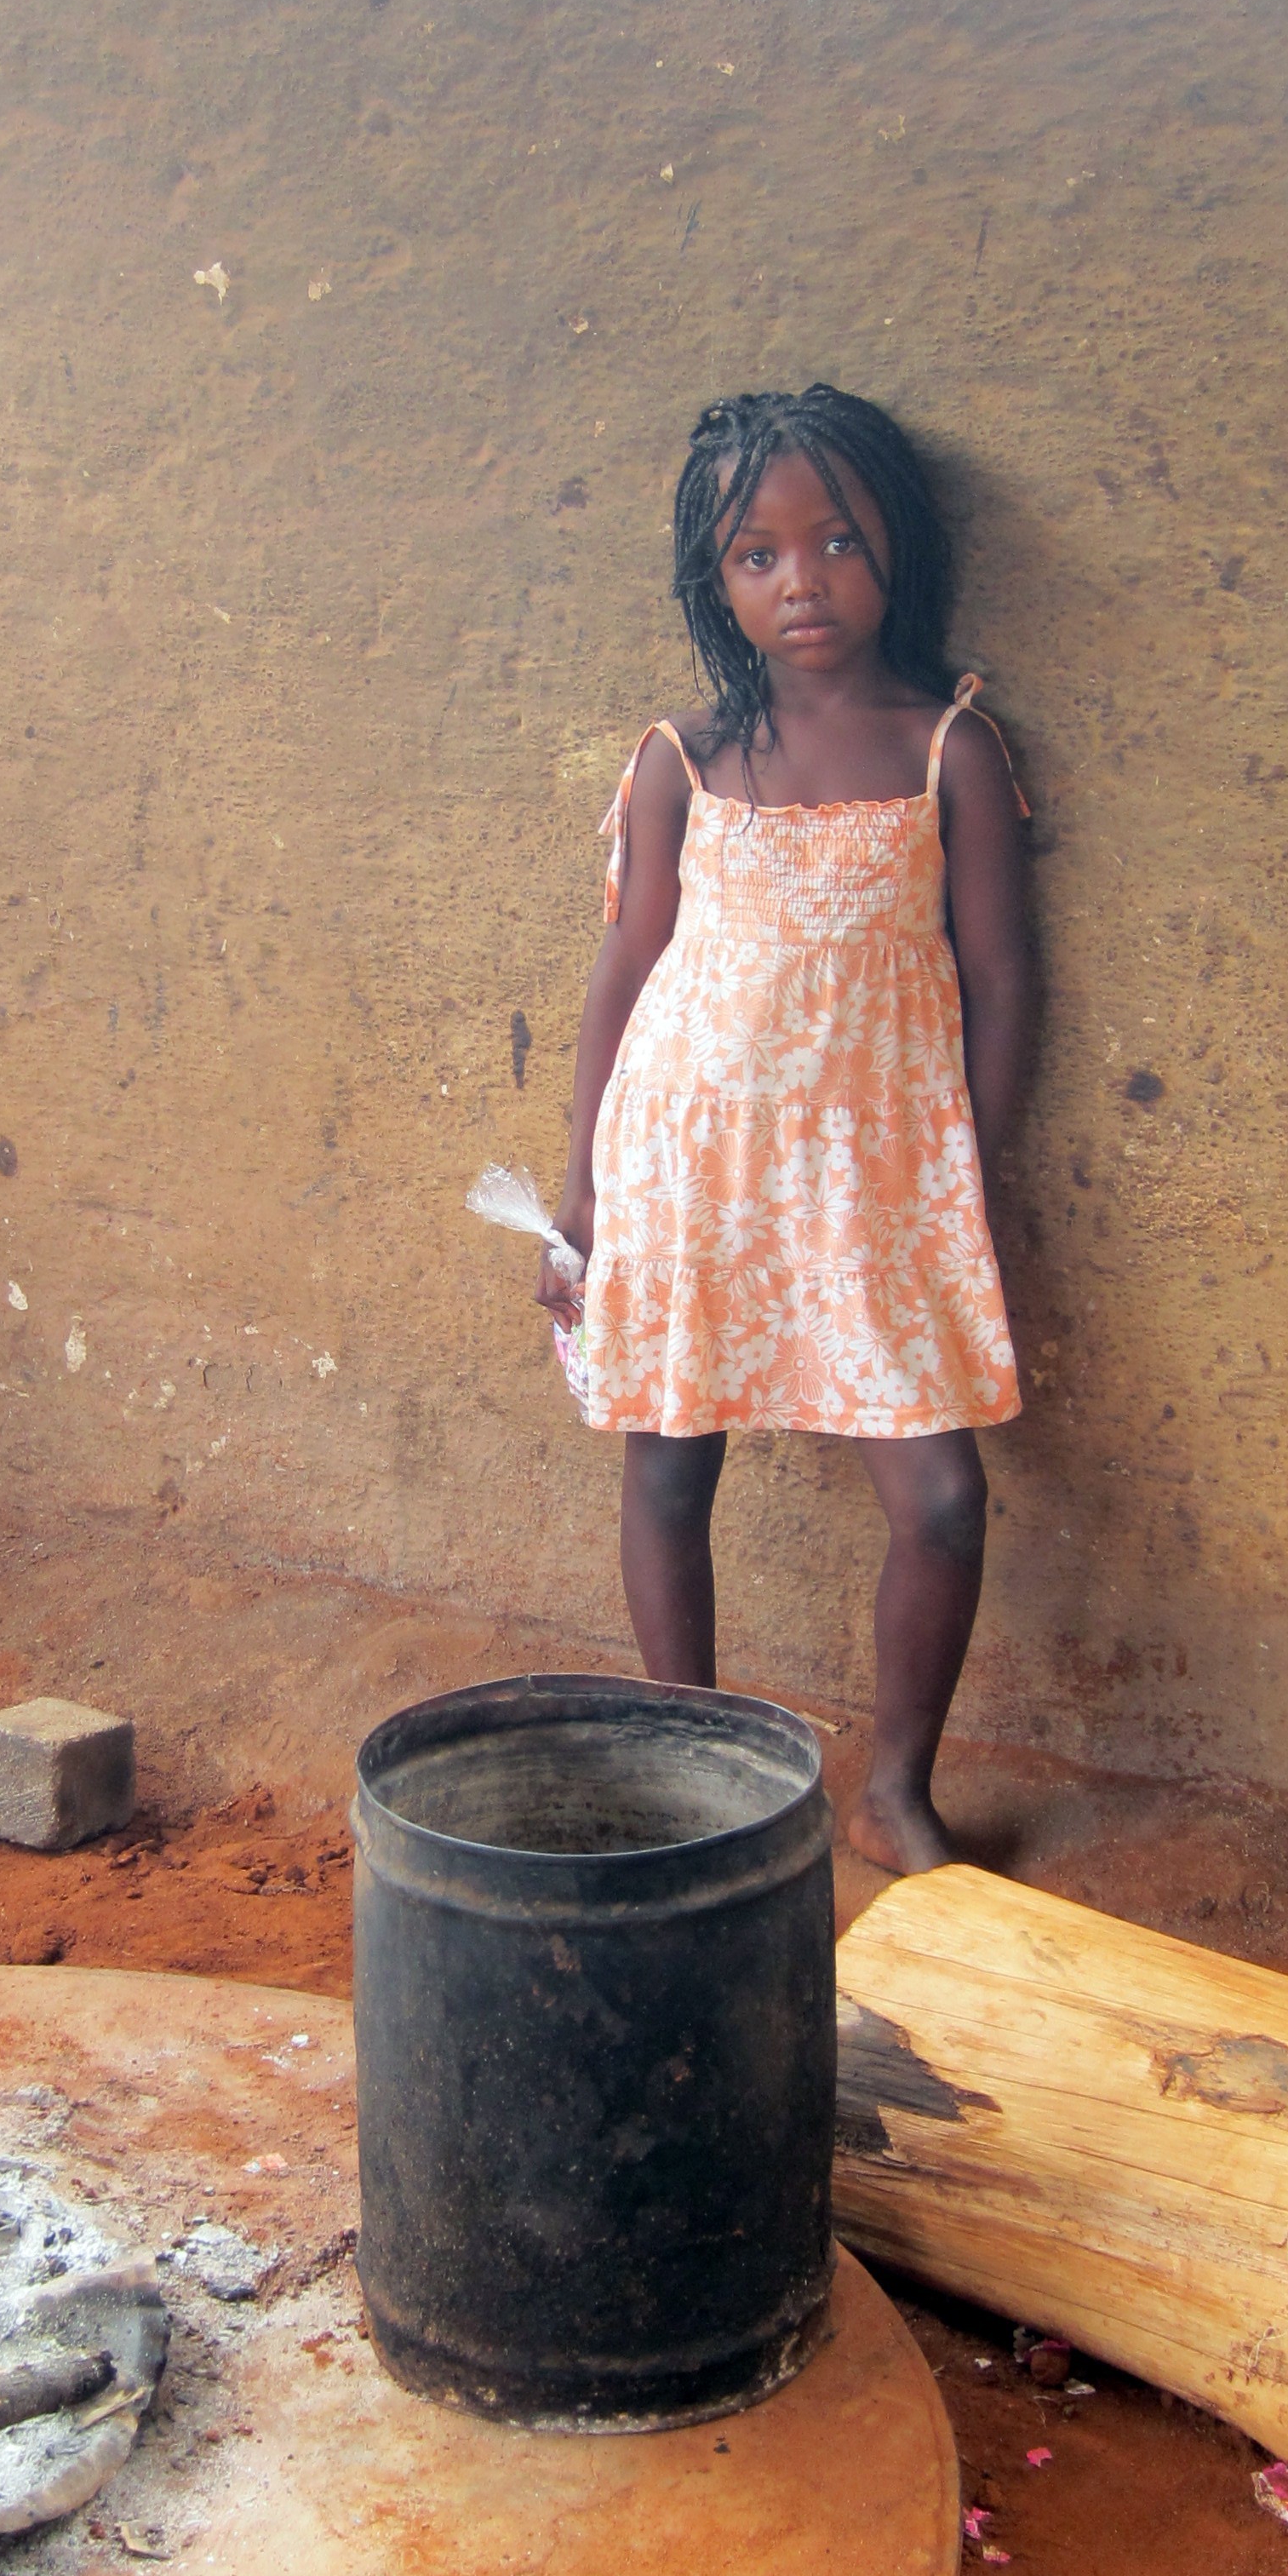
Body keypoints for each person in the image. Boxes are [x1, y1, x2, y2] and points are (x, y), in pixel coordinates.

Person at [536, 383, 1033, 1874]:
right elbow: (626, 976)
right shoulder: (680, 760)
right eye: (756, 556)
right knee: (673, 1468)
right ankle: (687, 1762)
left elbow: (1006, 988)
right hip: (685, 1166)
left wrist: (973, 1188)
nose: (800, 582)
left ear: (900, 550)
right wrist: (582, 1198)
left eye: (835, 543)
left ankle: (893, 1790)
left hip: (874, 1184)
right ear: (715, 581)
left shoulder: (950, 748)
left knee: (942, 1499)